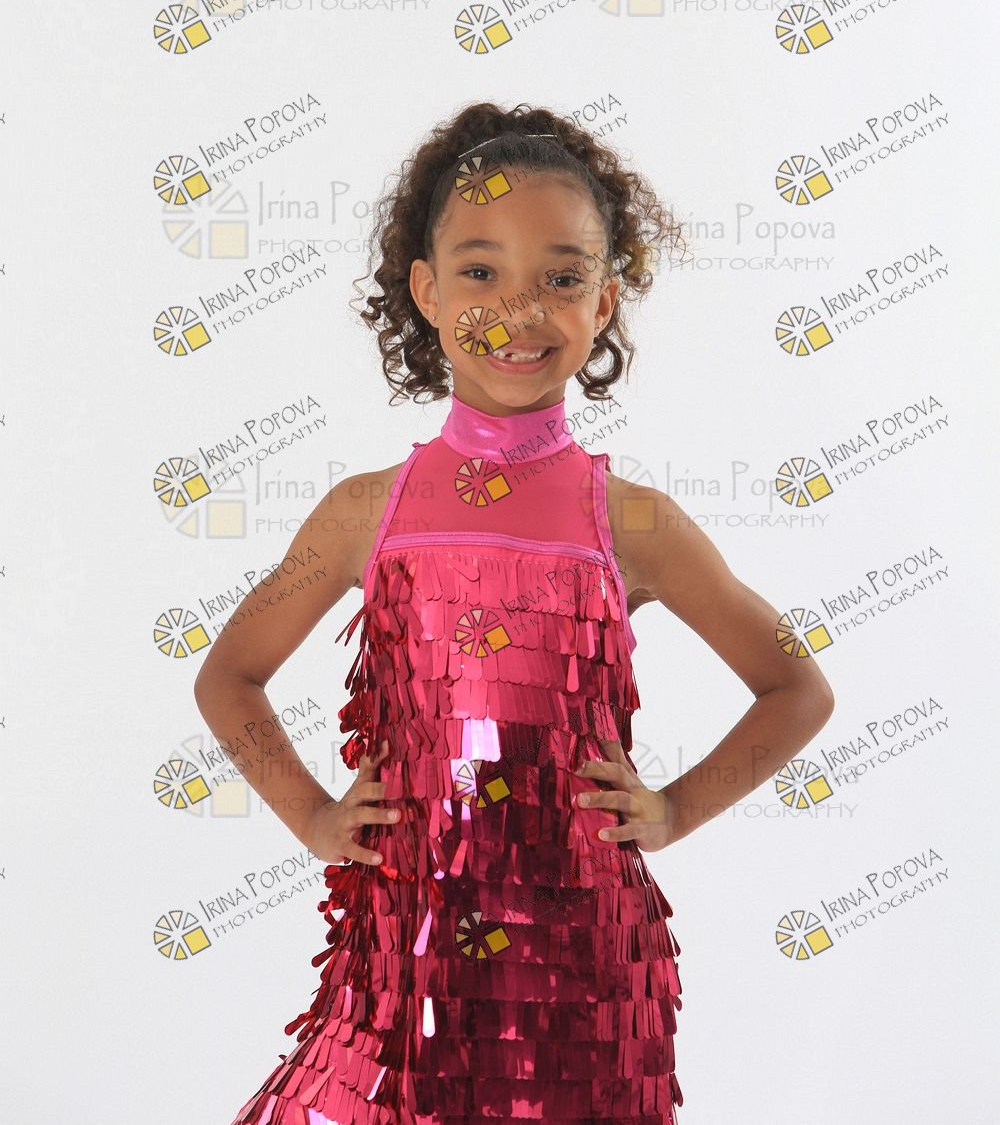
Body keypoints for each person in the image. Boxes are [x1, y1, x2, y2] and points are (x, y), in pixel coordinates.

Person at [194, 100, 835, 1125]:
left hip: (583, 969)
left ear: (605, 301)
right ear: (427, 290)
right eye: (482, 272)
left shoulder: (633, 521)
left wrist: (672, 810)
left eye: (562, 279)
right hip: (400, 963)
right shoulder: (365, 511)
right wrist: (312, 815)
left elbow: (795, 685)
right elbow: (229, 675)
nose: (519, 311)